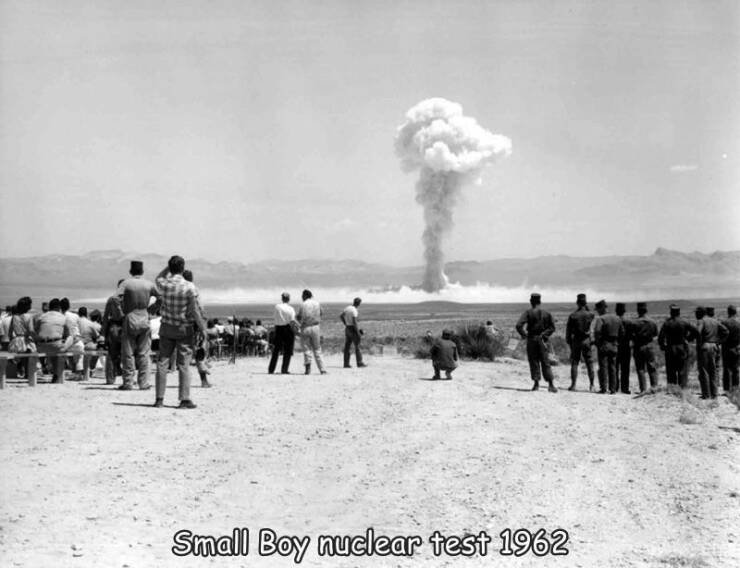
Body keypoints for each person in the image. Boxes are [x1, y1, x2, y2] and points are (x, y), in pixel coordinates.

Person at [153, 256, 207, 409]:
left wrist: (168, 268)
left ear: (170, 268)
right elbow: (194, 310)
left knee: (162, 362)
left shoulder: (164, 284)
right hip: (184, 328)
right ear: (183, 268)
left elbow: (158, 277)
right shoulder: (189, 286)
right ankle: (184, 399)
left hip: (166, 327)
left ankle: (159, 399)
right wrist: (202, 328)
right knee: (184, 364)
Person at [119, 260, 160, 390]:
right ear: (142, 271)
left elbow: (115, 298)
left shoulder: (126, 283)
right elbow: (161, 298)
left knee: (128, 353)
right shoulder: (149, 284)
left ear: (130, 271)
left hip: (130, 318)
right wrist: (151, 310)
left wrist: (121, 311)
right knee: (144, 353)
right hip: (144, 318)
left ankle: (128, 382)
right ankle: (143, 382)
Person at [515, 293, 557, 392]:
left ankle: (536, 384)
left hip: (532, 339)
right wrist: (545, 334)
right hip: (543, 340)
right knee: (545, 362)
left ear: (531, 301)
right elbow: (552, 327)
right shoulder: (546, 313)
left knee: (533, 361)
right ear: (540, 301)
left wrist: (524, 335)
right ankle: (551, 384)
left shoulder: (528, 312)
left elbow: (518, 325)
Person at [658, 304, 698, 390]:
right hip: (682, 347)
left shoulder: (667, 323)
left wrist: (663, 346)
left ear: (671, 313)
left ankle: (672, 389)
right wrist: (688, 339)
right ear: (679, 312)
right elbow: (696, 332)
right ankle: (682, 389)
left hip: (670, 348)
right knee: (682, 370)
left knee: (671, 371)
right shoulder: (685, 322)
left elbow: (661, 337)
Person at [183, 269, 212, 388]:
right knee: (200, 353)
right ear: (192, 278)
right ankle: (204, 380)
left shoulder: (178, 289)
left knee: (184, 354)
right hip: (195, 325)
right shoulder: (193, 289)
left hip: (181, 325)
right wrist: (203, 326)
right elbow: (198, 308)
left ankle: (184, 382)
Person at [591, 300, 624, 394]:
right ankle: (613, 389)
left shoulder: (601, 319)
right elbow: (622, 332)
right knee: (613, 367)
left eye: (598, 309)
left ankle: (604, 388)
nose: (597, 311)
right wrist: (617, 342)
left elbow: (597, 332)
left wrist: (598, 343)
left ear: (601, 308)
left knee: (603, 367)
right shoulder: (617, 318)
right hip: (614, 345)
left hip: (604, 344)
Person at [34, 298, 70, 383]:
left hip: (41, 346)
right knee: (69, 338)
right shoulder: (63, 317)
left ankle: (48, 368)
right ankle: (57, 373)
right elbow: (67, 333)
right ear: (59, 307)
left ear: (49, 307)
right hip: (55, 346)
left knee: (53, 348)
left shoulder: (41, 316)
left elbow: (36, 330)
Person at [697, 306, 728, 399]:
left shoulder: (702, 321)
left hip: (705, 346)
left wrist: (699, 342)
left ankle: (706, 394)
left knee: (704, 370)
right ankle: (714, 394)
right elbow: (726, 331)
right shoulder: (716, 321)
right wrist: (720, 341)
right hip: (715, 346)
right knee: (713, 370)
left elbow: (698, 332)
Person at [565, 293, 595, 391]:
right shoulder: (590, 315)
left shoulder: (573, 315)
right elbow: (590, 315)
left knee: (574, 362)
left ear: (577, 302)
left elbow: (568, 332)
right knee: (589, 362)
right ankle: (592, 385)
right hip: (586, 340)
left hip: (576, 341)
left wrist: (569, 342)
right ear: (585, 302)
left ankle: (573, 385)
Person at [296, 289, 327, 375]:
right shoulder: (317, 303)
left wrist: (297, 319)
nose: (302, 297)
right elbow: (321, 313)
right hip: (316, 327)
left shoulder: (303, 304)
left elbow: (299, 316)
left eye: (302, 295)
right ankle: (322, 369)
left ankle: (308, 369)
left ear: (305, 295)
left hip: (306, 327)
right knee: (317, 349)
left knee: (306, 349)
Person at [7, 297, 38, 381]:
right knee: (29, 356)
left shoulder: (14, 317)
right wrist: (36, 338)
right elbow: (31, 330)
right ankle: (27, 373)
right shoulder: (29, 316)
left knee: (21, 357)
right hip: (25, 339)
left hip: (16, 340)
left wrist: (12, 341)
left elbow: (10, 332)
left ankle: (20, 367)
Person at [631, 302, 658, 393]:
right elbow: (655, 334)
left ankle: (643, 389)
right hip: (650, 346)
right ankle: (654, 387)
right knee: (652, 367)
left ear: (638, 310)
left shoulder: (634, 323)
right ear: (646, 310)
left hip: (638, 346)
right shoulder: (652, 322)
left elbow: (631, 335)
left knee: (640, 368)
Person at [101, 280, 125, 385]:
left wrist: (103, 333)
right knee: (128, 354)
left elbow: (105, 317)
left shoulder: (111, 299)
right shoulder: (130, 300)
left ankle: (110, 379)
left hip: (113, 327)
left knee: (111, 354)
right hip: (126, 328)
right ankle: (127, 379)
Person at [268, 292, 296, 375]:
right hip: (288, 328)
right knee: (288, 350)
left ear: (282, 298)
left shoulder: (277, 306)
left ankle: (271, 369)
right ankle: (284, 369)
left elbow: (275, 317)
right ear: (289, 299)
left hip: (278, 329)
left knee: (276, 350)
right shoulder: (291, 309)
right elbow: (292, 321)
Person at [60, 298, 84, 378]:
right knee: (79, 357)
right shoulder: (75, 316)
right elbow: (80, 329)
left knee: (65, 353)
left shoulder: (59, 316)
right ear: (69, 306)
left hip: (66, 342)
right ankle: (78, 373)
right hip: (77, 340)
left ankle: (72, 371)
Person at [341, 297, 366, 369]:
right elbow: (355, 322)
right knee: (357, 346)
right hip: (353, 329)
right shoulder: (354, 310)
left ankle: (346, 363)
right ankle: (359, 363)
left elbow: (341, 316)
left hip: (347, 328)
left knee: (347, 346)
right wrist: (358, 332)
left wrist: (345, 323)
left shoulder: (347, 308)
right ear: (359, 303)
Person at [78, 307, 103, 376]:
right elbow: (98, 337)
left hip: (79, 343)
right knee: (99, 349)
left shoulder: (78, 321)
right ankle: (92, 368)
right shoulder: (96, 325)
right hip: (88, 345)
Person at [721, 305, 740, 393]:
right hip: (736, 348)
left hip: (726, 348)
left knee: (726, 369)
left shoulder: (724, 322)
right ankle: (735, 388)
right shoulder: (738, 323)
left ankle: (727, 389)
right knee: (735, 369)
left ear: (728, 312)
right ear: (735, 312)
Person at [615, 302, 632, 394]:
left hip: (616, 346)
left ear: (616, 310)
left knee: (615, 368)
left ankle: (615, 387)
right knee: (625, 368)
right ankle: (625, 388)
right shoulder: (629, 322)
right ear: (624, 311)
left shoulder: (614, 321)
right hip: (626, 346)